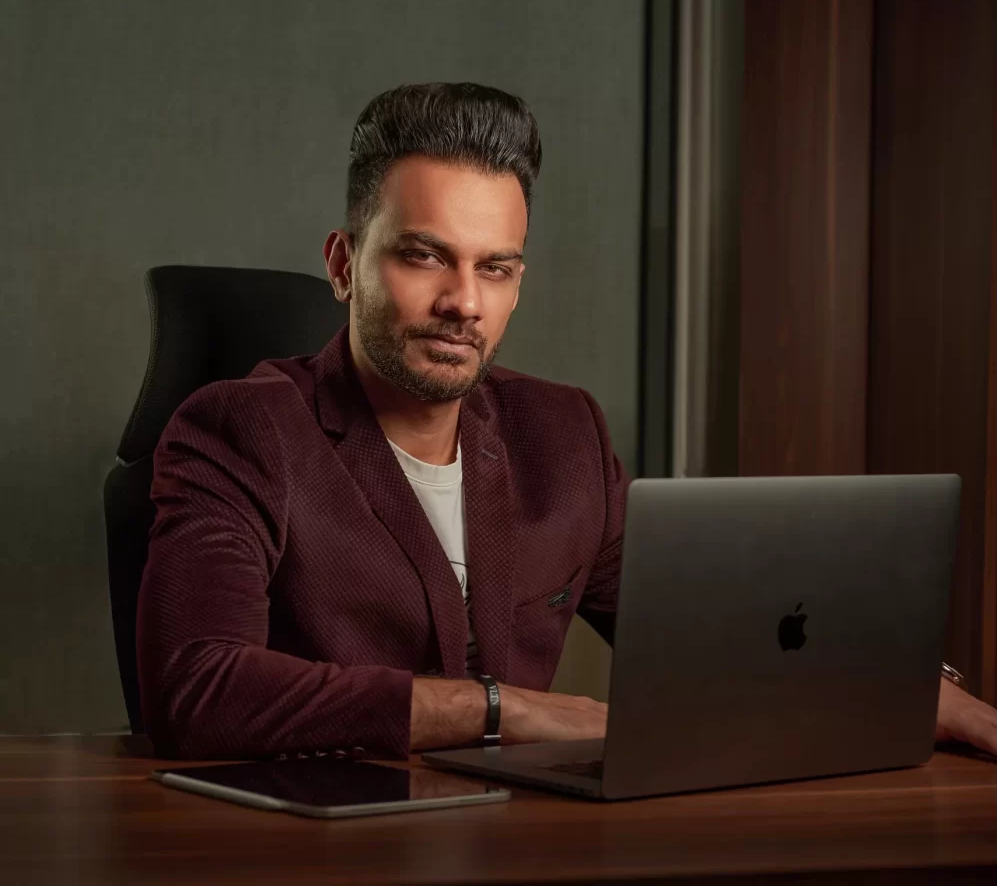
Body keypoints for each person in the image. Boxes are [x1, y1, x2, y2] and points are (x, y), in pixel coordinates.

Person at [137, 82, 997, 761]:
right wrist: (502, 714)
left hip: (517, 842)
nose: (462, 303)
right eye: (424, 255)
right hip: (316, 850)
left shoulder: (563, 435)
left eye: (496, 267)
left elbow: (714, 635)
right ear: (342, 262)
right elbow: (197, 690)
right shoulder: (238, 431)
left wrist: (901, 683)